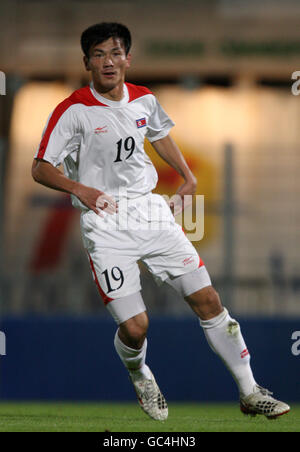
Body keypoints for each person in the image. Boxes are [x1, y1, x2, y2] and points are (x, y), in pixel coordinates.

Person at [32, 22, 290, 421]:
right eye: (98, 55)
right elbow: (40, 167)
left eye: (115, 53)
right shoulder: (72, 110)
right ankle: (139, 373)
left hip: (151, 213)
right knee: (136, 327)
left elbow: (160, 134)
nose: (108, 62)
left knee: (208, 300)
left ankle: (250, 390)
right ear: (86, 63)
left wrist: (187, 177)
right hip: (104, 222)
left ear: (128, 59)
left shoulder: (145, 100)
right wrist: (79, 189)